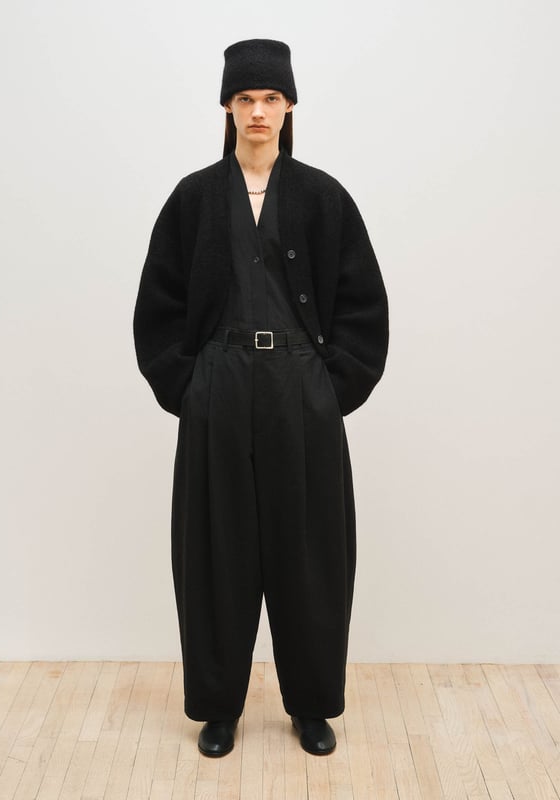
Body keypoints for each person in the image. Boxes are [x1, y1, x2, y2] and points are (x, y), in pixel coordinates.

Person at [133, 38, 389, 758]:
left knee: (310, 553)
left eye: (270, 98)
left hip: (300, 392)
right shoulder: (193, 199)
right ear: (226, 107)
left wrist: (329, 387)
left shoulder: (323, 197)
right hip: (218, 390)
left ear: (289, 106)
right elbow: (157, 306)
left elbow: (365, 305)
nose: (257, 111)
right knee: (216, 552)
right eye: (244, 98)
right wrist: (190, 387)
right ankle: (218, 707)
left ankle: (312, 705)